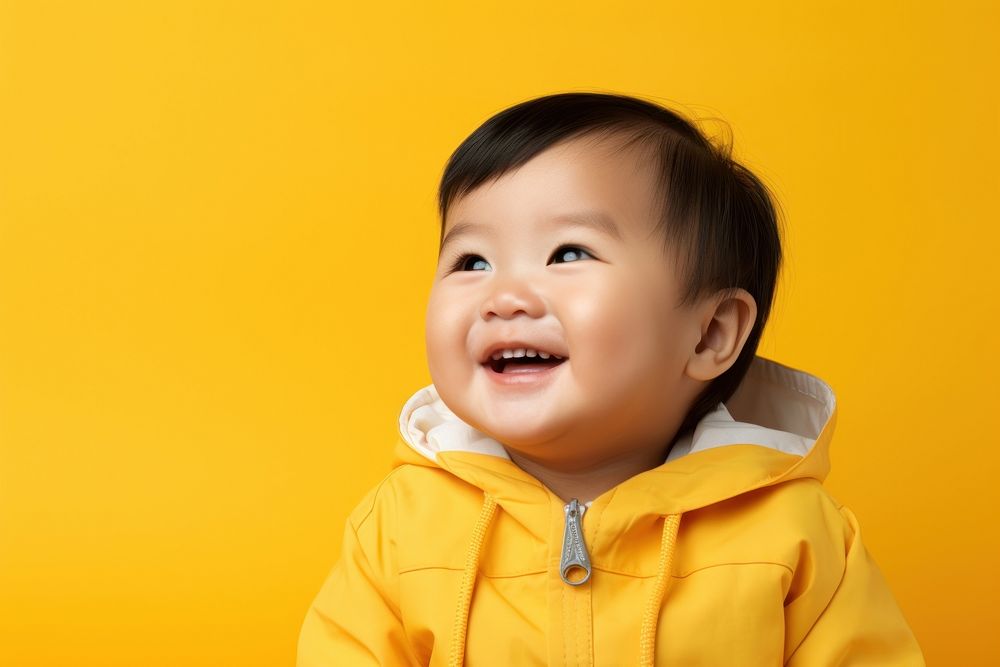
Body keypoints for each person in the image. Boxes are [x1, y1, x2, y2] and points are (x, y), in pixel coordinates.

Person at [296, 92, 925, 665]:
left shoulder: (797, 534)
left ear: (708, 334)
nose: (504, 295)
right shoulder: (400, 526)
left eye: (569, 253)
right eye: (472, 260)